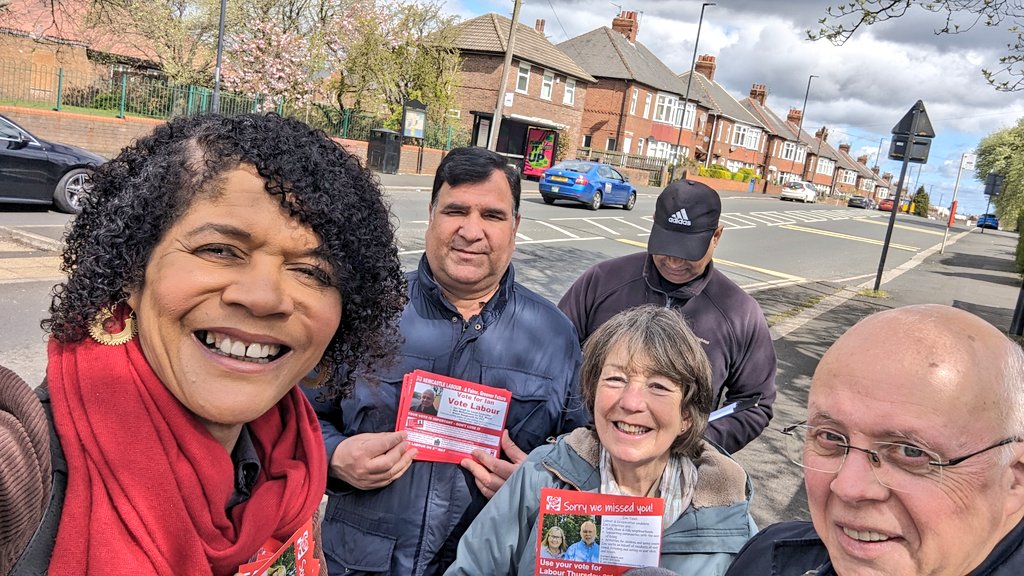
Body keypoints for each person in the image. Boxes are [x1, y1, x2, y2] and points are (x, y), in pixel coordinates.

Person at [0, 113, 407, 575]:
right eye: (219, 250)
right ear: (134, 270)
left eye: (311, 271)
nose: (263, 298)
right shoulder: (25, 466)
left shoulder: (293, 464)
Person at [310, 146, 588, 575]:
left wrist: (535, 487)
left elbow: (584, 459)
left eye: (492, 216)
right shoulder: (365, 310)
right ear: (431, 214)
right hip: (357, 563)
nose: (471, 231)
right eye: (455, 210)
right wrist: (334, 455)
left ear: (516, 226)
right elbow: (293, 418)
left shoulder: (555, 336)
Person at [445, 305, 757, 575]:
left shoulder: (730, 518)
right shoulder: (541, 476)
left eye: (659, 385)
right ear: (593, 394)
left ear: (687, 415)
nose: (632, 402)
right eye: (616, 379)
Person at [726, 304, 1024, 576]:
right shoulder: (767, 559)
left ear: (1015, 477)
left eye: (910, 452)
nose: (847, 487)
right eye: (830, 436)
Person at [558, 180, 776, 454]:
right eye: (666, 245)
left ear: (716, 236)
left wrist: (689, 446)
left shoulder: (740, 313)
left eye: (687, 252)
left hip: (676, 464)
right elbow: (552, 359)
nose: (673, 262)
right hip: (584, 448)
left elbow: (754, 403)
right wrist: (576, 430)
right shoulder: (602, 281)